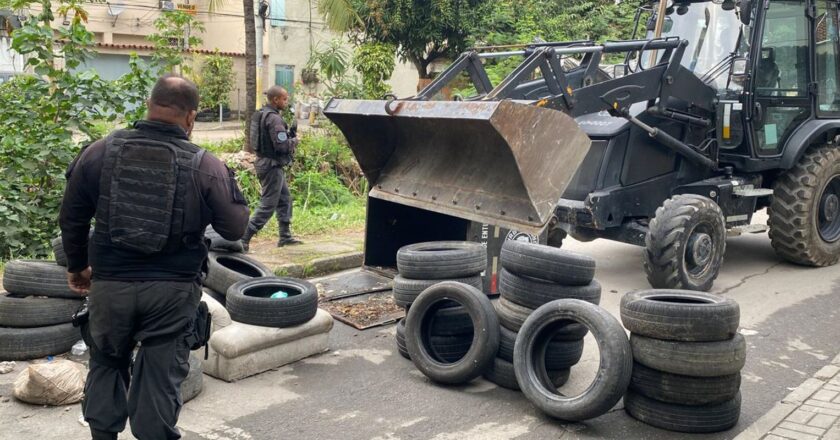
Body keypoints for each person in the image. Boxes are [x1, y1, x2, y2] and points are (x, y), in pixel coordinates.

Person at [59, 75, 249, 440]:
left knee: (106, 362)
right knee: (160, 373)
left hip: (110, 285)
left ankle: (103, 434)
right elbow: (235, 228)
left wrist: (77, 266)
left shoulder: (99, 151)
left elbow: (72, 216)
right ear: (191, 117)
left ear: (149, 105)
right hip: (172, 292)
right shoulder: (205, 165)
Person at [241, 85, 302, 251]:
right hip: (271, 166)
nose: (286, 102)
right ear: (275, 100)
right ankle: (244, 238)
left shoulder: (262, 114)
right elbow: (282, 147)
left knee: (284, 199)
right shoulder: (274, 118)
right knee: (268, 204)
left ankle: (285, 236)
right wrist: (295, 140)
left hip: (266, 163)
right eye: (284, 99)